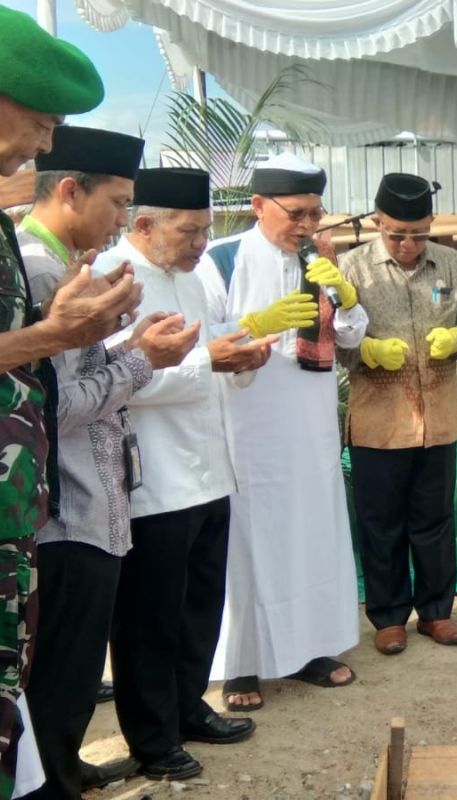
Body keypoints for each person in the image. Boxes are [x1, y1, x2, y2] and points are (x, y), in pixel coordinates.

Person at [20, 126, 199, 798]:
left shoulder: (65, 264)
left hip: (91, 501)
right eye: (119, 202)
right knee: (61, 668)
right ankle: (52, 784)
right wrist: (142, 359)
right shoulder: (42, 272)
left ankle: (65, 767)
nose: (124, 218)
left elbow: (80, 376)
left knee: (71, 669)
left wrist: (129, 349)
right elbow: (57, 406)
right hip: (67, 510)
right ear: (71, 190)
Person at [0, 13, 139, 794]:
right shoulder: (36, 259)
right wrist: (108, 347)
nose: (45, 143)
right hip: (55, 510)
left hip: (27, 508)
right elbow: (56, 387)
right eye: (40, 121)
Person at [97, 168, 274, 781]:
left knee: (200, 603)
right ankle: (151, 739)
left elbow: (211, 350)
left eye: (205, 231)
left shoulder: (196, 276)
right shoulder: (110, 279)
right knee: (150, 615)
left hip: (209, 468)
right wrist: (211, 360)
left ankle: (187, 706)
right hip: (150, 478)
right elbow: (120, 381)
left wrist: (242, 352)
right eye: (189, 231)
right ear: (143, 224)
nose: (202, 244)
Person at [196, 152, 367, 711]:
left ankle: (312, 648)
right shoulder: (222, 260)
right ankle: (243, 664)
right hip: (250, 427)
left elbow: (348, 337)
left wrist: (345, 295)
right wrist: (255, 326)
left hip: (311, 423)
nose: (307, 225)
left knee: (312, 531)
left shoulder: (318, 255)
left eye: (315, 213)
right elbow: (200, 340)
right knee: (251, 539)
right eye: (296, 213)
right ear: (258, 205)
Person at [337, 174, 457, 655]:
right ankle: (389, 616)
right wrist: (364, 351)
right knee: (381, 522)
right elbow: (333, 342)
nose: (409, 244)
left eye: (418, 234)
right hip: (379, 418)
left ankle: (436, 612)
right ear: (377, 223)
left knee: (434, 520)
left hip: (438, 415)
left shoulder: (452, 264)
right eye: (397, 234)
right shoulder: (352, 269)